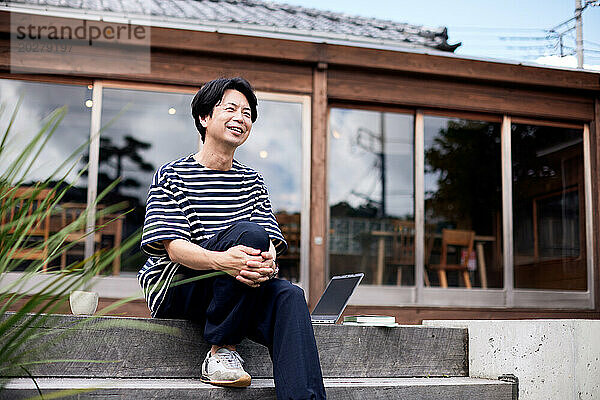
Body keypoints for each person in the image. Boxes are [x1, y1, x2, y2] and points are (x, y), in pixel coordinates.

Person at [137, 77, 326, 399]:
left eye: (248, 113)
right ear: (204, 118)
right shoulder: (172, 174)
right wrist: (223, 261)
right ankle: (220, 349)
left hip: (238, 287)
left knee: (290, 295)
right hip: (180, 287)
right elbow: (175, 249)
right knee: (249, 233)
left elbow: (269, 244)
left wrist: (267, 263)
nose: (241, 118)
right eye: (231, 109)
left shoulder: (251, 179)